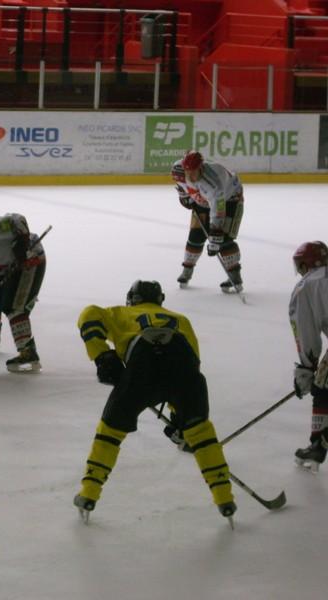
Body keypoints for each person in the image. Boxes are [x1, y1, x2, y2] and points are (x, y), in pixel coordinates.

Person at [73, 280, 236, 524]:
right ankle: (225, 499)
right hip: (182, 363)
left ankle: (89, 494)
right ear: (160, 300)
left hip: (142, 363)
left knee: (111, 432)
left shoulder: (121, 312)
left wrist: (102, 355)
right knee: (201, 432)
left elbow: (88, 314)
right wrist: (181, 418)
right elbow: (192, 363)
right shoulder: (181, 319)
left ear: (132, 298)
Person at [171, 150, 244, 293]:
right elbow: (181, 186)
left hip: (230, 198)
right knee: (195, 235)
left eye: (194, 172)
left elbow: (219, 211)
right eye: (188, 171)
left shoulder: (213, 185)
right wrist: (184, 195)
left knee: (224, 239)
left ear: (201, 168)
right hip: (203, 199)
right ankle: (187, 270)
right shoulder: (178, 170)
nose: (190, 176)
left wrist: (215, 234)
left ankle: (235, 275)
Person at [0, 213, 46, 373]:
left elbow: (17, 219)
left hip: (29, 261)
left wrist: (22, 244)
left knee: (15, 307)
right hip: (3, 268)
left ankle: (28, 353)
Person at [289, 241, 328, 471]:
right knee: (324, 383)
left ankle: (319, 444)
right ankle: (318, 445)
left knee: (322, 385)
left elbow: (305, 330)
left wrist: (306, 368)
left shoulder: (307, 286)